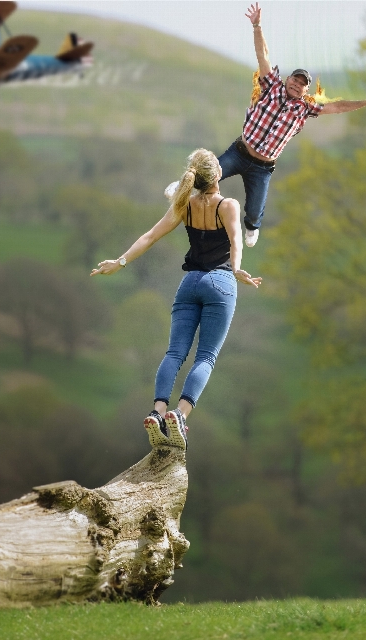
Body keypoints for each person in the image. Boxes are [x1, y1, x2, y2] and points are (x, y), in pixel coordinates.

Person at [91, 149, 261, 449]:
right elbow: (236, 239)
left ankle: (157, 412)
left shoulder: (185, 205)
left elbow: (150, 236)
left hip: (189, 284)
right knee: (206, 356)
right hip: (219, 284)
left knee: (174, 354)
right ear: (218, 175)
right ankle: (179, 415)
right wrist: (236, 270)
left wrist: (120, 262)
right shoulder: (229, 205)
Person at [218, 2, 366, 247]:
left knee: (255, 213)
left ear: (305, 90)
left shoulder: (306, 108)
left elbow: (338, 107)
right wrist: (257, 26)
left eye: (301, 84)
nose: (296, 85)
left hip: (262, 167)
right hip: (240, 151)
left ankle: (252, 227)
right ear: (287, 79)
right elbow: (262, 55)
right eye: (294, 80)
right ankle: (184, 186)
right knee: (209, 173)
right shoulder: (271, 86)